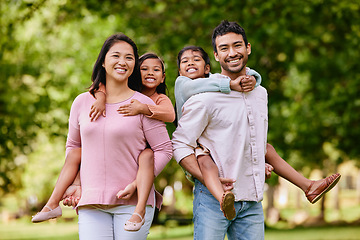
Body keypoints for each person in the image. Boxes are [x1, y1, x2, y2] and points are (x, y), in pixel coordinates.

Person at [174, 45, 341, 221]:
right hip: (196, 150)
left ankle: (308, 186)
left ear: (207, 68)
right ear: (179, 70)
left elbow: (240, 73)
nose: (190, 63)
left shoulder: (214, 82)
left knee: (266, 148)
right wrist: (231, 84)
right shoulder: (184, 83)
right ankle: (222, 198)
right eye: (185, 61)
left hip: (219, 151)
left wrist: (254, 78)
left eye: (196, 60)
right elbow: (204, 86)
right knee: (208, 164)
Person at [37, 33, 173, 239]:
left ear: (134, 65)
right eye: (116, 56)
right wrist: (75, 183)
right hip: (91, 202)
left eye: (129, 57)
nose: (122, 62)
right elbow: (74, 147)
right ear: (103, 62)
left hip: (133, 204)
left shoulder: (142, 105)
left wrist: (137, 183)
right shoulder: (82, 102)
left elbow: (164, 149)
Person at [172, 20, 269, 239]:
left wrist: (259, 164)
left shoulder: (260, 93)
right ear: (216, 56)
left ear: (248, 48)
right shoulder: (205, 97)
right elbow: (179, 143)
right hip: (211, 200)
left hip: (252, 200)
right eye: (224, 48)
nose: (232, 53)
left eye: (237, 45)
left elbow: (253, 139)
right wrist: (206, 179)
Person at [90, 52, 176, 231]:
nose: (150, 73)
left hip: (147, 154)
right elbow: (101, 85)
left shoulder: (160, 98)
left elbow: (170, 114)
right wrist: (100, 98)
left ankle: (140, 206)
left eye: (156, 69)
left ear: (163, 77)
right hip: (126, 156)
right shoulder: (128, 93)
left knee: (146, 156)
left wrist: (142, 108)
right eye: (144, 69)